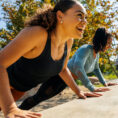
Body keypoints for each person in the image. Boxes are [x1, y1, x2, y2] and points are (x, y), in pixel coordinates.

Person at [0, 0, 101, 117]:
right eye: (79, 15)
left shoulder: (68, 41)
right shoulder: (37, 33)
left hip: (19, 89)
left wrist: (79, 92)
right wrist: (10, 107)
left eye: (86, 18)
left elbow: (63, 70)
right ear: (60, 16)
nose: (85, 22)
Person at [18, 27, 117, 110]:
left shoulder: (97, 54)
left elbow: (96, 69)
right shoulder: (86, 49)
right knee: (38, 97)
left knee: (40, 98)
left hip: (67, 81)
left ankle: (18, 112)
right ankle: (16, 112)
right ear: (101, 41)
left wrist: (105, 82)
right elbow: (78, 68)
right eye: (108, 43)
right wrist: (92, 88)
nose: (109, 46)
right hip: (58, 77)